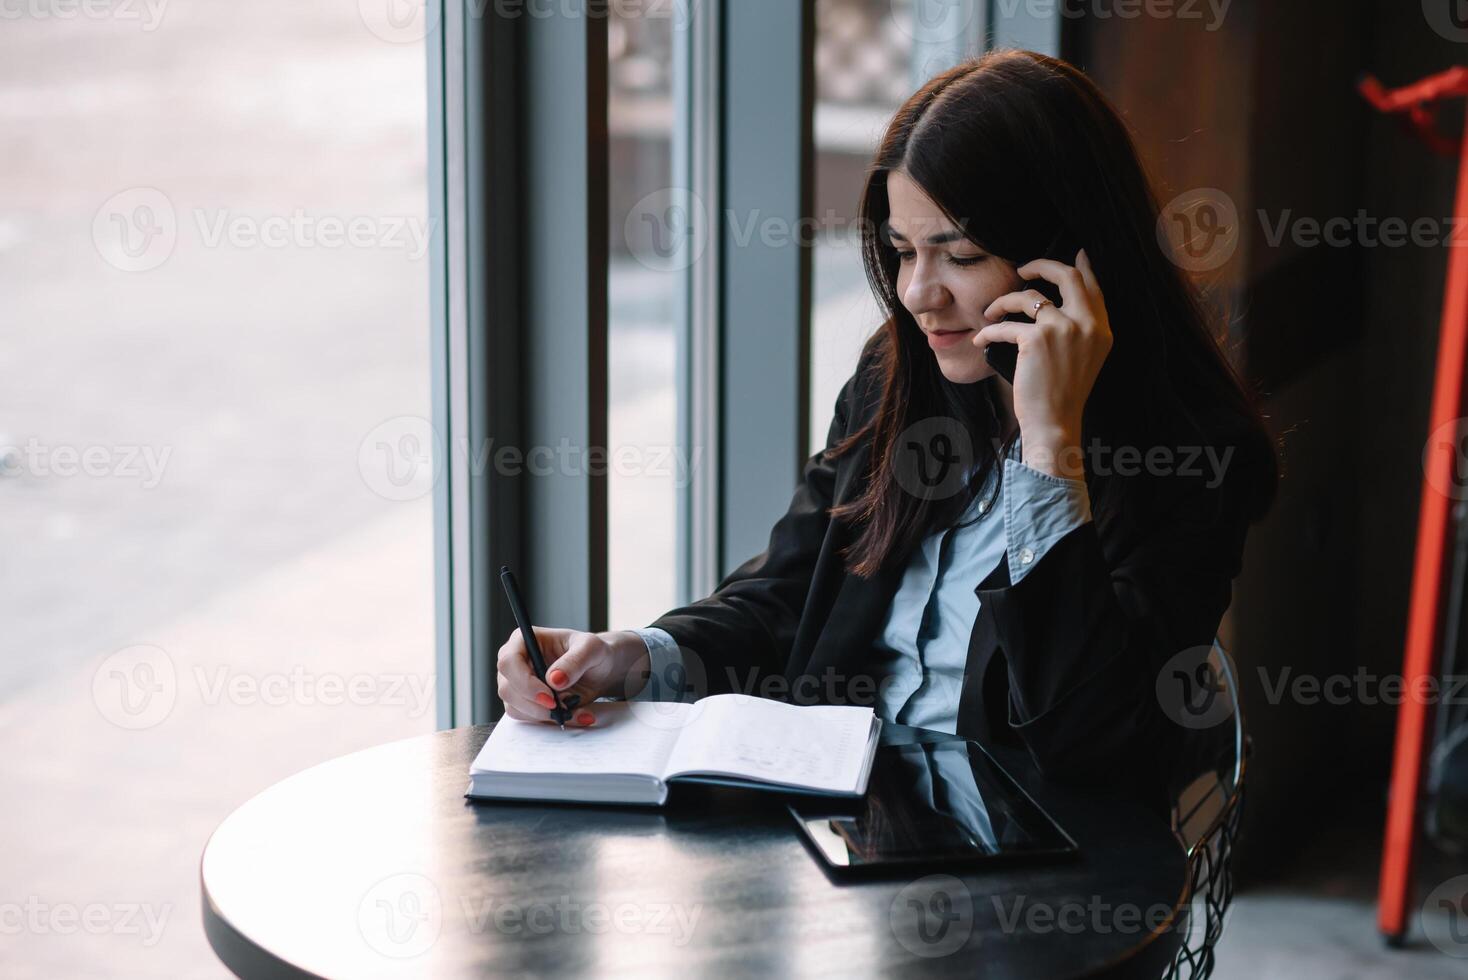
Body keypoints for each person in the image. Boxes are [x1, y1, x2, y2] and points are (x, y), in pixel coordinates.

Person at [496, 49, 1278, 808]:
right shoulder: (900, 377)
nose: (917, 294)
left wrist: (1050, 450)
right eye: (902, 252)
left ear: (1068, 256)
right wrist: (632, 655)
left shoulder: (1193, 451)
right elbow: (791, 595)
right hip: (841, 825)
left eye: (960, 255)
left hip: (1037, 874)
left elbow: (1094, 740)